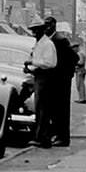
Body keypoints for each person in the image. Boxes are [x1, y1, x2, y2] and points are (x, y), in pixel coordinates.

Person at [26, 17, 58, 148]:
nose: (34, 33)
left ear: (42, 30)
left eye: (36, 30)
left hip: (45, 77)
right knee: (39, 108)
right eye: (33, 30)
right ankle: (40, 136)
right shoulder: (40, 43)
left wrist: (32, 63)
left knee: (43, 109)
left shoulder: (47, 44)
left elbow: (50, 63)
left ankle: (43, 138)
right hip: (39, 76)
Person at [44, 16, 77, 146]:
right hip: (54, 80)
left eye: (48, 25)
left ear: (53, 25)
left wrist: (67, 74)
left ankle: (63, 138)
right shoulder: (51, 39)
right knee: (55, 110)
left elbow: (74, 57)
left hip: (61, 80)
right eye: (45, 25)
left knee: (62, 110)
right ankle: (57, 135)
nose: (46, 27)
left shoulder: (60, 40)